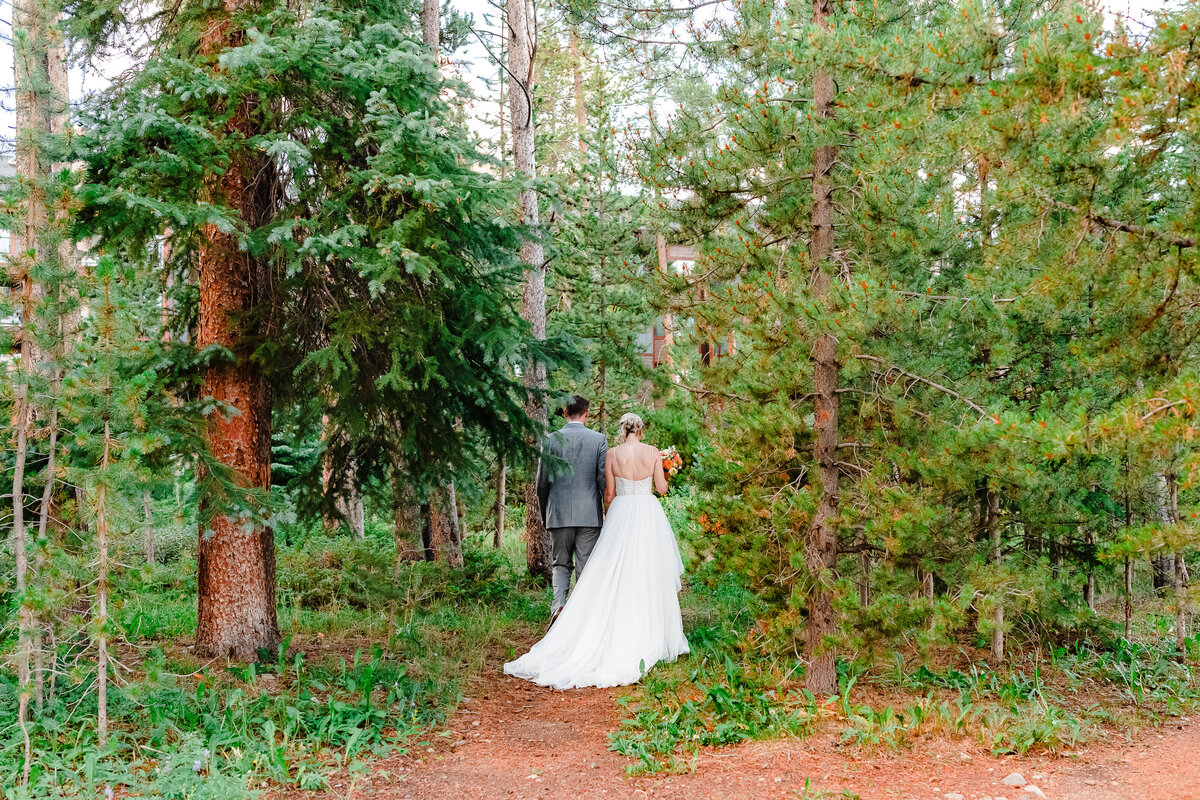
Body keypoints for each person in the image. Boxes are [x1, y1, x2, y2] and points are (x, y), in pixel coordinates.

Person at [505, 412, 689, 689]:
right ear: (641, 430)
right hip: (648, 514)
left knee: (614, 572)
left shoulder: (613, 454)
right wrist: (666, 471)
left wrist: (609, 516)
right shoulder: (653, 452)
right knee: (649, 570)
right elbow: (661, 489)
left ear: (622, 429)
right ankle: (648, 628)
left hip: (622, 511)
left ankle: (594, 618)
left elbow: (609, 493)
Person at [535, 395, 608, 623]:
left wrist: (546, 513)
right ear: (587, 414)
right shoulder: (598, 440)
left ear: (565, 413)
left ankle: (558, 606)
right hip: (589, 516)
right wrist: (605, 511)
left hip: (558, 512)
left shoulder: (549, 440)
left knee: (560, 563)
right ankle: (584, 614)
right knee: (585, 565)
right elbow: (603, 480)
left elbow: (541, 483)